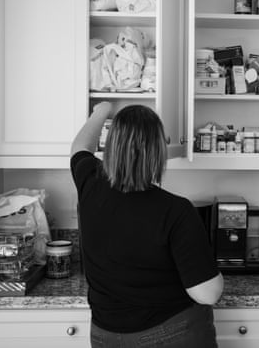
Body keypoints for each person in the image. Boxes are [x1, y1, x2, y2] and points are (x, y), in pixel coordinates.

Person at [70, 102, 223, 348]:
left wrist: (102, 111)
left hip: (104, 335)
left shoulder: (90, 183)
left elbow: (79, 147)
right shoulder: (176, 210)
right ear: (157, 153)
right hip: (168, 333)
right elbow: (208, 293)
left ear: (112, 146)